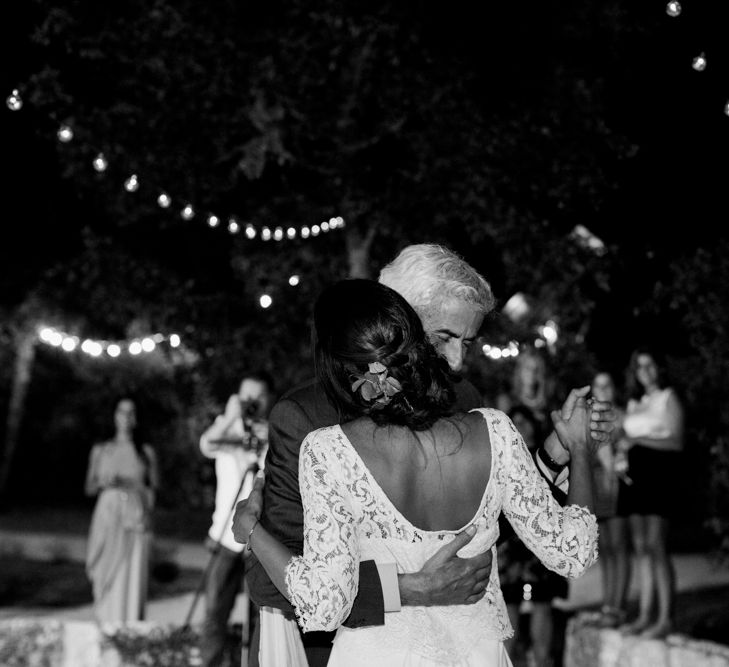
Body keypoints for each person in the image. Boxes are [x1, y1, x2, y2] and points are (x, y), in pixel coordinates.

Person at [238, 243, 613, 666]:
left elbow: (483, 528)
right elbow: (268, 583)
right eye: (445, 338)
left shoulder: (466, 400)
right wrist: (412, 588)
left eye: (468, 343)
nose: (456, 361)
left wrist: (556, 451)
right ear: (398, 321)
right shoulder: (307, 417)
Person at [199, 373, 272, 667]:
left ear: (267, 399)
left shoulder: (273, 433)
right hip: (224, 539)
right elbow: (207, 445)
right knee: (215, 612)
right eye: (246, 398)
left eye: (257, 398)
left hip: (259, 540)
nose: (251, 403)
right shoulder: (225, 427)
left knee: (259, 617)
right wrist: (232, 417)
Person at [616, 347, 684, 639]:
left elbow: (676, 442)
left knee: (657, 547)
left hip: (660, 478)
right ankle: (645, 615)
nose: (646, 371)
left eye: (651, 365)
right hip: (634, 480)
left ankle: (666, 617)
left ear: (659, 368)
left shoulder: (668, 398)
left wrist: (637, 439)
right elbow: (624, 442)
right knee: (641, 548)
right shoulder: (634, 403)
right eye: (640, 367)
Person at [499, 404, 568, 667]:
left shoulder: (547, 459)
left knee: (542, 602)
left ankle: (542, 661)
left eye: (525, 422)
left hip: (538, 543)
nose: (521, 427)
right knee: (509, 605)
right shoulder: (503, 457)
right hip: (510, 544)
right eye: (515, 423)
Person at [84, 397, 159, 624]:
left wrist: (130, 485)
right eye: (121, 412)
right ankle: (105, 623)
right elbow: (89, 487)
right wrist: (105, 482)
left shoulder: (145, 452)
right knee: (106, 573)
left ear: (136, 418)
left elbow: (153, 489)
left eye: (131, 412)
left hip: (134, 519)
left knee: (131, 574)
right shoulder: (101, 449)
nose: (126, 418)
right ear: (114, 415)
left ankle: (129, 628)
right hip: (107, 517)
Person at [590, 370, 630, 629]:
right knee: (604, 550)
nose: (603, 390)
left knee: (618, 547)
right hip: (597, 488)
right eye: (598, 386)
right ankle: (608, 603)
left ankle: (618, 607)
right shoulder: (591, 419)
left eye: (608, 385)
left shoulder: (623, 417)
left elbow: (627, 448)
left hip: (617, 488)